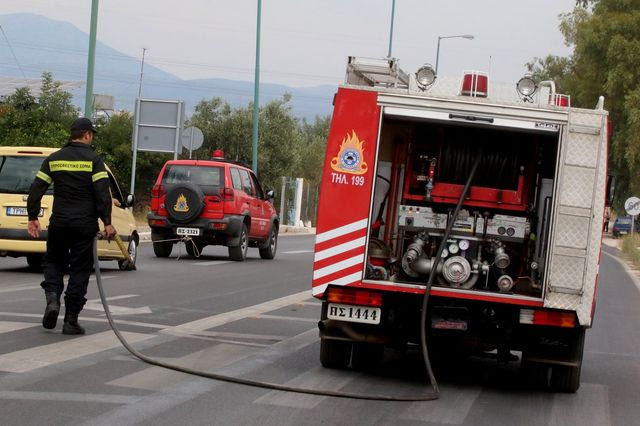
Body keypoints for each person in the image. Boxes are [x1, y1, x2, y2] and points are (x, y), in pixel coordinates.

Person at [27, 117, 116, 335]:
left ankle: (53, 301)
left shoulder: (54, 159)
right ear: (87, 135)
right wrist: (107, 222)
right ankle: (71, 320)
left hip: (59, 222)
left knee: (53, 262)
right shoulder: (94, 160)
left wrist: (33, 216)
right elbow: (102, 194)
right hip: (84, 225)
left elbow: (37, 188)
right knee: (79, 270)